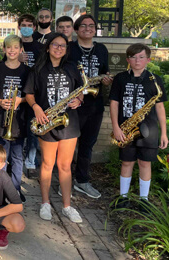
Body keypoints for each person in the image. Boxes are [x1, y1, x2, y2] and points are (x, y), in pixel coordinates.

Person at [24, 32, 83, 223]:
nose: (59, 48)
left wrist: (79, 100)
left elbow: (81, 90)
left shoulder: (72, 68)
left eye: (63, 46)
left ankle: (67, 206)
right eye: (55, 45)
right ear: (48, 47)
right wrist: (36, 107)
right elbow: (30, 94)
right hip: (47, 121)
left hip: (69, 122)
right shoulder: (38, 69)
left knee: (65, 166)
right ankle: (45, 203)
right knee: (47, 164)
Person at [110, 43, 167, 208]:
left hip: (149, 130)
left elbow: (160, 107)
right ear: (128, 59)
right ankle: (123, 197)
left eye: (141, 57)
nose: (137, 60)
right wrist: (115, 127)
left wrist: (164, 133)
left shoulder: (155, 80)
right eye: (133, 57)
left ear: (148, 60)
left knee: (145, 163)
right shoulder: (120, 78)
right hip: (126, 129)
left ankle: (144, 200)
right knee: (127, 162)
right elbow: (114, 103)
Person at [69, 15, 111, 199]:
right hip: (73, 104)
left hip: (94, 104)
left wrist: (107, 80)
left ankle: (82, 180)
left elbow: (105, 73)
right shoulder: (69, 48)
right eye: (83, 26)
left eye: (91, 26)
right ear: (76, 29)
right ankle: (63, 180)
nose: (88, 28)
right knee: (68, 144)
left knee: (87, 144)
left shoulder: (101, 49)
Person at [0, 35, 30, 202]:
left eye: (15, 47)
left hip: (19, 119)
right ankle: (1, 188)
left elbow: (30, 95)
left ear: (21, 50)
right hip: (1, 118)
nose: (12, 50)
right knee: (1, 157)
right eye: (8, 47)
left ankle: (15, 189)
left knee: (18, 156)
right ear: (4, 49)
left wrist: (21, 99)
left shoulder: (27, 71)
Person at [16, 14, 41, 171]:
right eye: (23, 24)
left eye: (29, 25)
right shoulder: (14, 44)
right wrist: (16, 59)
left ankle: (30, 162)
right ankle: (16, 159)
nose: (26, 27)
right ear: (19, 27)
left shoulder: (40, 47)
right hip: (18, 92)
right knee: (18, 127)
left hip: (34, 93)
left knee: (33, 129)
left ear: (34, 28)